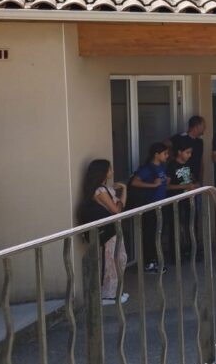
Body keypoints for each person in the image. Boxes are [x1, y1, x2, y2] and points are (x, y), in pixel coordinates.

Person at [78, 159, 129, 304]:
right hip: (108, 230)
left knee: (120, 258)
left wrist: (124, 189)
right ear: (103, 172)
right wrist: (118, 203)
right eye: (110, 169)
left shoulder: (105, 189)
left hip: (113, 228)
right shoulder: (100, 191)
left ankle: (115, 291)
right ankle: (108, 294)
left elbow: (120, 205)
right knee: (111, 260)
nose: (112, 171)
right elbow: (116, 210)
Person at [130, 142, 170, 273]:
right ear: (156, 155)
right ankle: (149, 262)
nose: (167, 156)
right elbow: (135, 182)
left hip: (160, 204)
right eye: (165, 153)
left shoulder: (162, 166)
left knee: (157, 233)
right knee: (150, 234)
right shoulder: (148, 168)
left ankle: (155, 259)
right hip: (150, 205)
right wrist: (153, 185)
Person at [171, 115, 206, 184]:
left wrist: (200, 179)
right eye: (203, 126)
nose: (204, 128)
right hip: (182, 179)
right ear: (196, 127)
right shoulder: (180, 138)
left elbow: (200, 160)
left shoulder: (200, 142)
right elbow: (164, 145)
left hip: (196, 179)